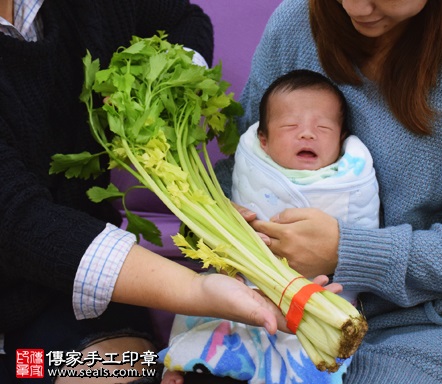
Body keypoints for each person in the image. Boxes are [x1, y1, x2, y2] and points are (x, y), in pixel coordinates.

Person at [213, 0, 442, 383]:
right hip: (294, 305)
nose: (355, 7)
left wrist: (345, 251)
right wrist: (225, 219)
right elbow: (245, 162)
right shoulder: (297, 22)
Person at [0, 2, 325, 383]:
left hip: (68, 296)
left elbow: (181, 19)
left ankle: (24, 367)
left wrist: (160, 91)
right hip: (27, 274)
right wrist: (197, 290)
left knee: (122, 370)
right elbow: (17, 219)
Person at [160, 69, 380, 384]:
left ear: (342, 139)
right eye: (291, 126)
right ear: (263, 140)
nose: (307, 134)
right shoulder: (245, 165)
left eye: (323, 127)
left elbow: (365, 244)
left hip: (314, 297)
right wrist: (220, 222)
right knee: (213, 345)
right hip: (240, 288)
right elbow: (196, 230)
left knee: (313, 360)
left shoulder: (350, 180)